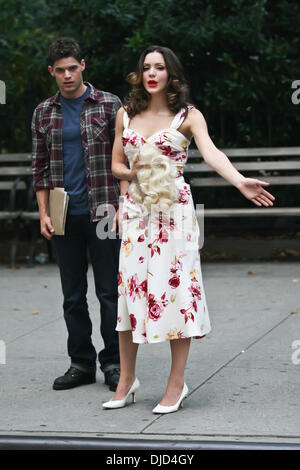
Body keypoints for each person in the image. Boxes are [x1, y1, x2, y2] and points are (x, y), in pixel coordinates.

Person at [103, 45, 275, 413]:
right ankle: (126, 379)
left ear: (171, 74)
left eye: (159, 67)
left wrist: (240, 181)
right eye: (146, 67)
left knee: (177, 293)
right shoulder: (125, 114)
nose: (151, 73)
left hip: (174, 213)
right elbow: (116, 164)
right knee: (129, 292)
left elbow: (212, 153)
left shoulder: (188, 116)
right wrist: (134, 177)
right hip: (136, 211)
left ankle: (176, 384)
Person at [31, 37, 126, 392]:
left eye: (73, 68)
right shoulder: (44, 112)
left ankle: (114, 362)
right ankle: (81, 363)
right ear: (52, 72)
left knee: (108, 292)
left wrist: (124, 206)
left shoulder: (109, 104)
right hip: (63, 212)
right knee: (72, 293)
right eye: (61, 70)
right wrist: (43, 212)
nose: (68, 75)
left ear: (83, 66)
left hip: (103, 209)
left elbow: (125, 160)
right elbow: (39, 168)